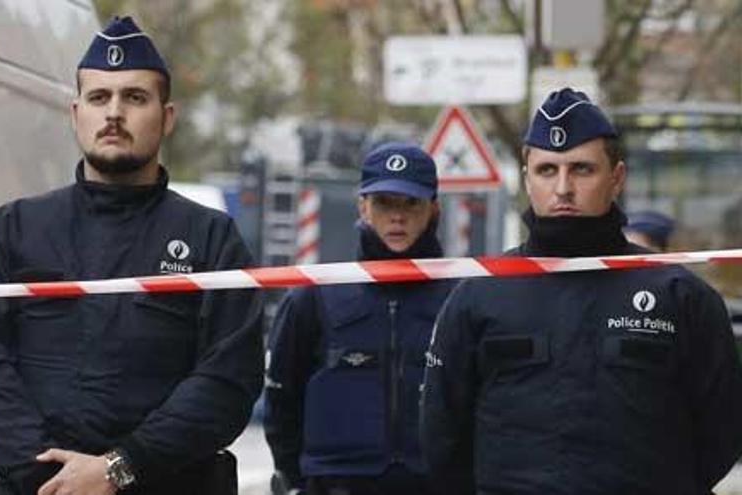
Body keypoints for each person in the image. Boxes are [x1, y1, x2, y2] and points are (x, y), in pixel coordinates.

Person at [0, 16, 263, 495]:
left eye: (134, 97)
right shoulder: (15, 228)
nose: (113, 112)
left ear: (168, 116)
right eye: (99, 97)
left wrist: (118, 469)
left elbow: (227, 383)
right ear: (76, 113)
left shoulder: (211, 240)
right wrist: (58, 482)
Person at [421, 87, 742, 495]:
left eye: (582, 169)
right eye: (547, 170)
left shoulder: (680, 295)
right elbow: (441, 435)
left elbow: (721, 431)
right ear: (526, 178)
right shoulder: (481, 294)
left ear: (617, 177)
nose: (563, 188)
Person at [264, 142, 454, 495]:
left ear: (434, 209)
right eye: (384, 202)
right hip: (336, 484)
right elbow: (281, 400)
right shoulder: (315, 296)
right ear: (363, 207)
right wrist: (297, 480)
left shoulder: (460, 300)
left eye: (411, 202)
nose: (397, 216)